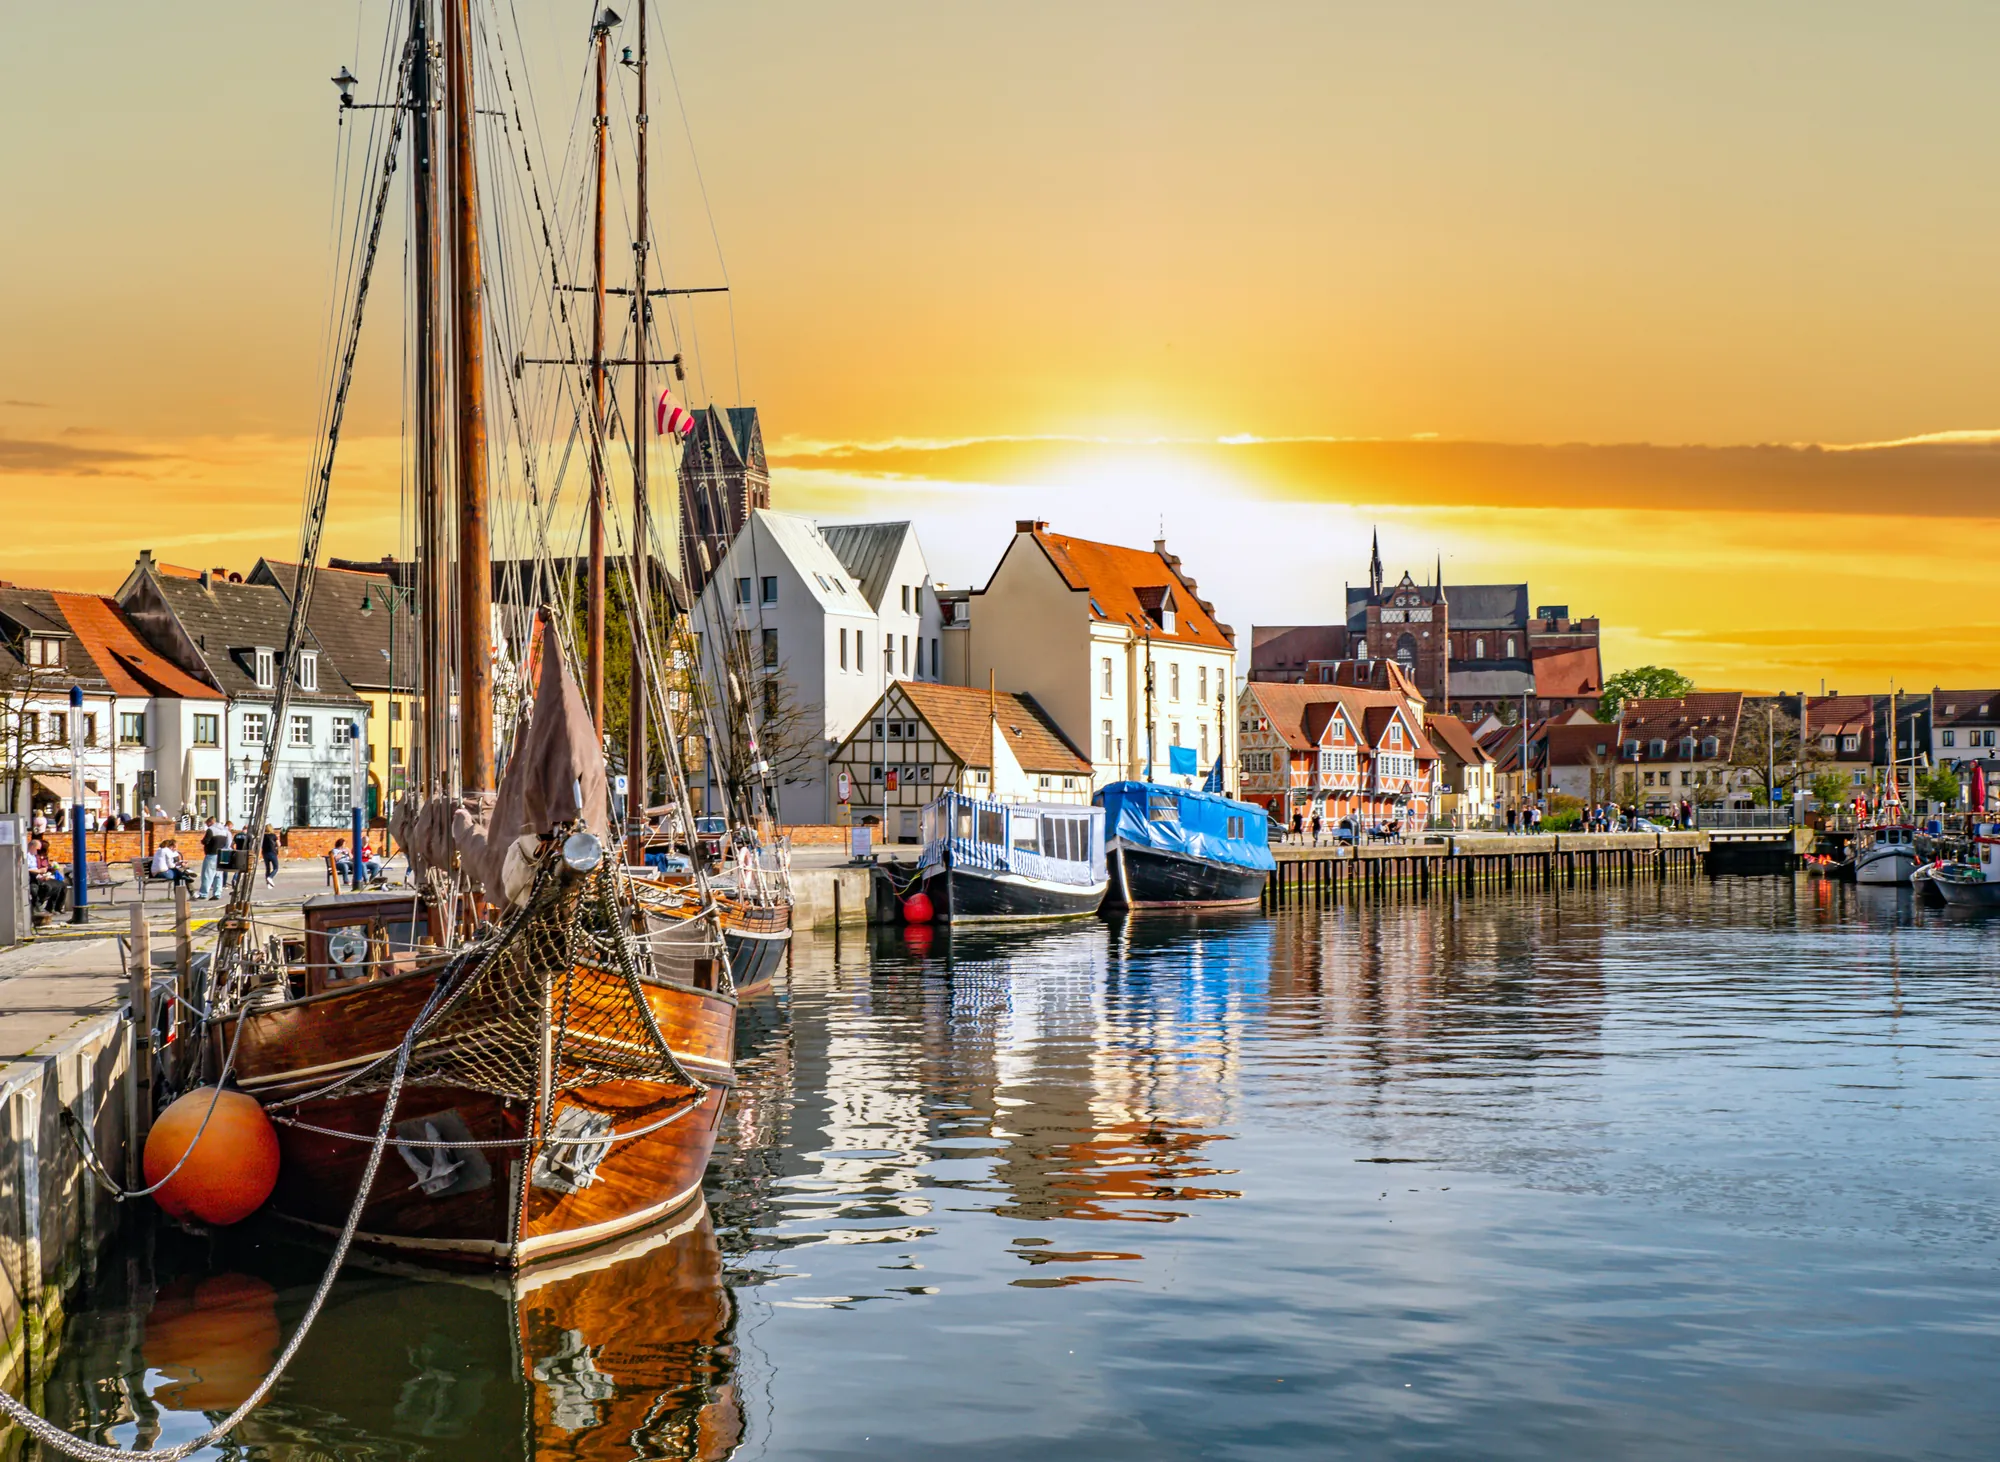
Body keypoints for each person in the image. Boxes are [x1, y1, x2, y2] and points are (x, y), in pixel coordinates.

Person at [196, 817, 226, 900]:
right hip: (221, 854)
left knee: (207, 875)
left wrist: (202, 842)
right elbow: (227, 843)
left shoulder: (211, 830)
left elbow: (206, 841)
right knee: (218, 875)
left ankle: (203, 894)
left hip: (211, 854)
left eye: (207, 823)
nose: (206, 825)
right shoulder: (224, 831)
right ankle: (217, 894)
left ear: (210, 822)